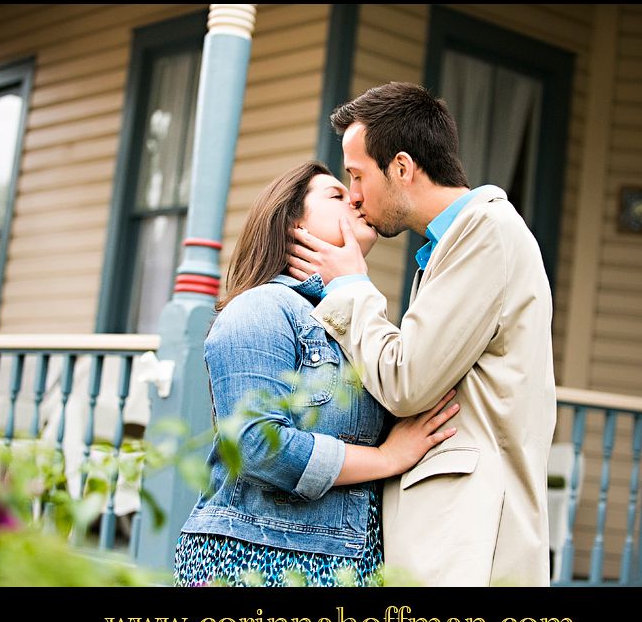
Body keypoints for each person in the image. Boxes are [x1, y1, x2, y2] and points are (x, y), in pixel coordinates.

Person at [287, 82, 557, 586]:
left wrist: (349, 286)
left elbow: (407, 381)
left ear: (404, 168)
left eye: (358, 175)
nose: (356, 197)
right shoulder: (454, 244)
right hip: (454, 535)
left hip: (470, 543)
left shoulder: (486, 233)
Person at [173, 160, 460, 587]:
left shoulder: (352, 320)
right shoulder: (261, 307)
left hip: (348, 565)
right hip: (255, 558)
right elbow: (254, 444)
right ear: (292, 223)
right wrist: (387, 458)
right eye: (337, 195)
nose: (357, 198)